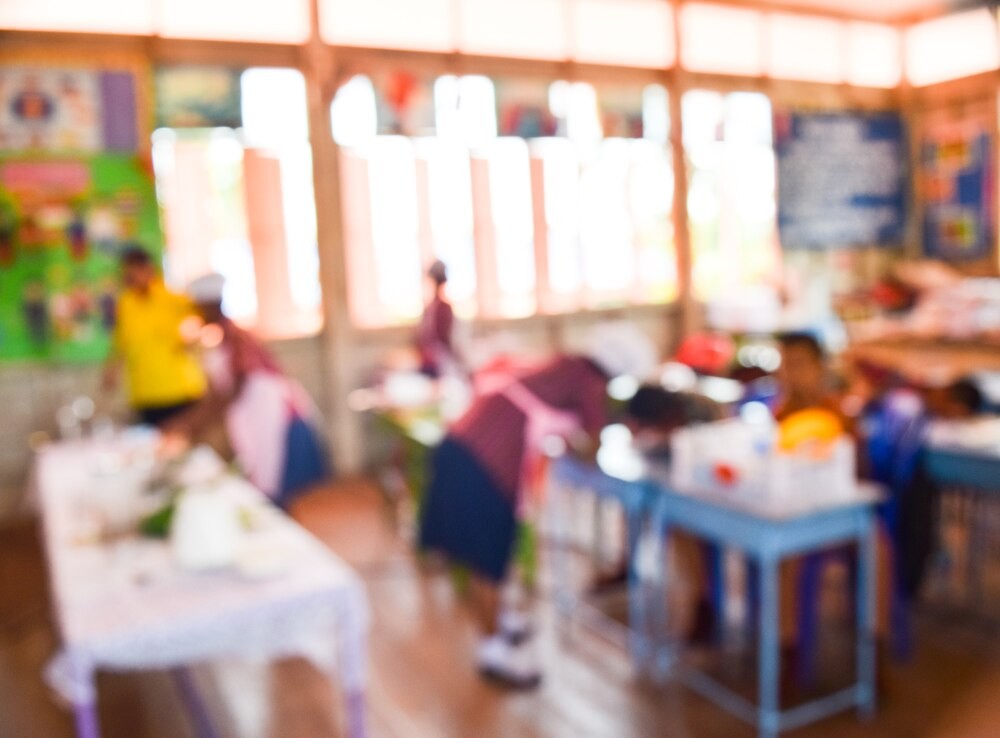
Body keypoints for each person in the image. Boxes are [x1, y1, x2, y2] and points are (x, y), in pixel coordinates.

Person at [419, 323, 656, 689]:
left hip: (461, 449)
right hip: (484, 465)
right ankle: (493, 652)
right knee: (488, 559)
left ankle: (498, 622)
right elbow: (591, 447)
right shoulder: (589, 385)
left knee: (483, 555)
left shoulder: (565, 366)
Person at [164, 274, 329, 508]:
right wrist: (186, 422)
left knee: (279, 481)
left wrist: (189, 425)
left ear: (212, 306)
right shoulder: (219, 338)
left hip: (273, 417)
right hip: (255, 420)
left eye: (200, 307)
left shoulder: (237, 338)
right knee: (265, 480)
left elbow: (229, 393)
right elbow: (218, 393)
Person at [103, 247, 206, 427]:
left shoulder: (172, 297)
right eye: (129, 274)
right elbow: (120, 343)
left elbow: (205, 316)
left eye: (137, 271)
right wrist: (111, 371)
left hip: (180, 390)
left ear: (149, 269)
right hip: (145, 394)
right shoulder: (126, 303)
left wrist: (194, 337)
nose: (134, 278)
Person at [415, 260, 459, 378]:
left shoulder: (434, 307)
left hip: (435, 361)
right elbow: (446, 338)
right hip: (437, 362)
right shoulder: (438, 308)